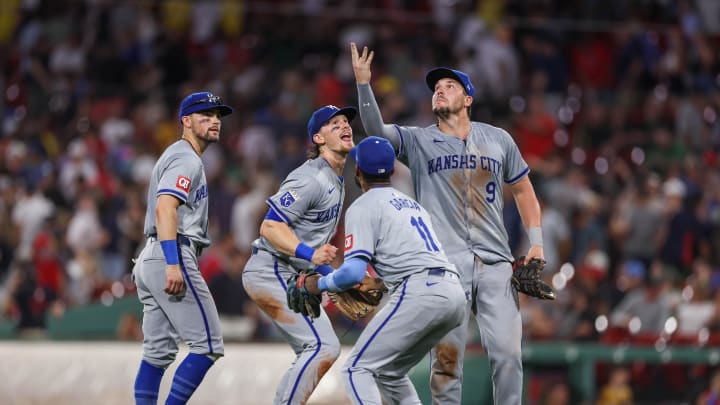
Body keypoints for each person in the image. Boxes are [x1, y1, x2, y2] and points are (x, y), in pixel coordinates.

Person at [351, 43, 545, 405]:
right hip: (445, 268)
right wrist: (364, 84)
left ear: (468, 98)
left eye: (449, 86)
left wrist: (536, 243)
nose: (439, 90)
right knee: (446, 364)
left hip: (495, 263)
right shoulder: (419, 140)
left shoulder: (498, 139)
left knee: (508, 356)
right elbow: (376, 129)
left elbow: (523, 191)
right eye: (436, 88)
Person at [292, 136, 467, 404]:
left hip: (420, 291)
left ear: (358, 171)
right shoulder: (413, 205)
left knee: (356, 370)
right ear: (394, 171)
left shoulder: (363, 205)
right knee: (389, 373)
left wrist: (318, 285)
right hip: (453, 294)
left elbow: (351, 273)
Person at [241, 105, 357, 404]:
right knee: (323, 347)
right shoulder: (311, 178)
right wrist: (309, 252)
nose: (345, 126)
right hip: (271, 269)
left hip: (291, 274)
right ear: (318, 138)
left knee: (315, 349)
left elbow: (312, 250)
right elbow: (269, 225)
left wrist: (333, 278)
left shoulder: (336, 178)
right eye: (334, 124)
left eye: (346, 121)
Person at [132, 91, 233, 405]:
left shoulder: (182, 155)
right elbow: (166, 208)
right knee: (208, 345)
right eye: (206, 115)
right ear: (186, 121)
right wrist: (174, 263)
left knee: (157, 353)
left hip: (152, 255)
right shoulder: (185, 156)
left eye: (218, 116)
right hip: (169, 253)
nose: (215, 121)